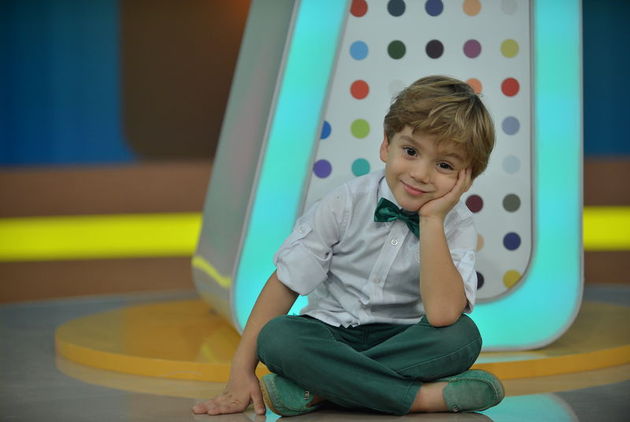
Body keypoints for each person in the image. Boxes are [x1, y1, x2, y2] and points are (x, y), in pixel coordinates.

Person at [193, 75, 503, 417]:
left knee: (462, 337)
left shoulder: (456, 224)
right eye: (411, 151)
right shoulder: (344, 203)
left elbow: (442, 314)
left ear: (466, 178)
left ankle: (319, 389)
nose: (420, 173)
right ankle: (420, 398)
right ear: (386, 145)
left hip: (403, 339)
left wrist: (431, 221)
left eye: (444, 165)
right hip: (331, 334)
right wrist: (241, 371)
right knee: (277, 337)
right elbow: (286, 283)